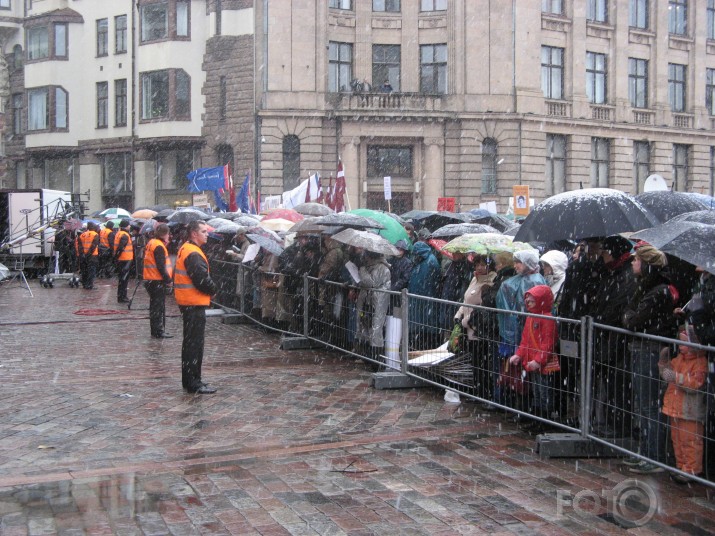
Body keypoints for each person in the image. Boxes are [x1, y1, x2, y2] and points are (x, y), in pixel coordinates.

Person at [622, 243, 678, 474]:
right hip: (643, 348)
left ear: (646, 264)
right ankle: (646, 452)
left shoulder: (658, 291)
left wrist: (628, 316)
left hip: (650, 348)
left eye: (636, 260)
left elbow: (632, 320)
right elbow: (629, 315)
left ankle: (654, 456)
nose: (633, 263)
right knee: (643, 404)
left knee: (649, 404)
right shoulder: (647, 288)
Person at [495, 249, 546, 413]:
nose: (515, 265)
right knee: (519, 375)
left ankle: (533, 411)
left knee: (530, 376)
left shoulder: (535, 281)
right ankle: (523, 409)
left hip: (530, 336)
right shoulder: (515, 282)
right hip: (522, 336)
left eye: (519, 262)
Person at [174, 220, 217, 394]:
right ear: (194, 233)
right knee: (194, 345)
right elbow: (200, 279)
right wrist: (213, 289)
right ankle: (193, 382)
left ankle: (191, 380)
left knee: (191, 344)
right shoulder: (193, 252)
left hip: (189, 302)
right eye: (204, 231)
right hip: (193, 302)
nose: (207, 234)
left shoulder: (187, 248)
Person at [660, 329, 708, 484]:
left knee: (691, 441)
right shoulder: (679, 359)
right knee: (678, 440)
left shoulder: (700, 362)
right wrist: (664, 365)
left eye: (684, 342)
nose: (681, 345)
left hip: (690, 409)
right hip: (676, 408)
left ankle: (691, 470)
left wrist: (676, 378)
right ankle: (681, 467)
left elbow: (695, 384)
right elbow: (669, 374)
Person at [509, 284, 558, 431]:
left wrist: (538, 360)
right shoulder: (531, 317)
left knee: (544, 393)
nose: (528, 302)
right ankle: (538, 420)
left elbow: (548, 343)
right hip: (533, 362)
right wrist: (519, 354)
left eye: (532, 300)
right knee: (537, 392)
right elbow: (525, 340)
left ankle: (545, 422)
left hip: (542, 364)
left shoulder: (547, 319)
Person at [455, 255, 497, 398]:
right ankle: (477, 390)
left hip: (478, 329)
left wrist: (468, 320)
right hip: (468, 327)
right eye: (477, 264)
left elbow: (481, 306)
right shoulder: (474, 279)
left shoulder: (491, 281)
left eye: (482, 264)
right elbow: (466, 299)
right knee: (475, 361)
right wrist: (458, 315)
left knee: (482, 363)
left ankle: (484, 393)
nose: (479, 267)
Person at [356, 250, 391, 361]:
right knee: (365, 326)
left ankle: (376, 359)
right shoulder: (370, 266)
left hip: (377, 302)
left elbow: (370, 283)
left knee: (376, 329)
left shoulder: (382, 268)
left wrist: (361, 271)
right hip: (368, 302)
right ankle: (367, 355)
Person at [408, 242, 441, 350]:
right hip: (419, 303)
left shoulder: (430, 261)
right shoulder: (422, 261)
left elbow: (432, 283)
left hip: (425, 303)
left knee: (426, 333)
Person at [143, 223, 173, 339]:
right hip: (156, 280)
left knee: (155, 306)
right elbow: (161, 266)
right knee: (158, 307)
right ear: (165, 234)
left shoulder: (152, 242)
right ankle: (158, 331)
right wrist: (168, 280)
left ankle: (155, 330)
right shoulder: (159, 246)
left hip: (150, 279)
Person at [113, 220, 134, 303]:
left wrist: (116, 257)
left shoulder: (119, 233)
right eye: (129, 225)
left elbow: (119, 248)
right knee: (124, 279)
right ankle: (123, 297)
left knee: (122, 279)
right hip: (125, 259)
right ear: (126, 226)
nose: (130, 226)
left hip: (122, 259)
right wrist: (117, 256)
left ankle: (121, 296)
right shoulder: (125, 235)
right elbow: (121, 247)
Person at [76, 222, 100, 290]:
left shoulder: (82, 235)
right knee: (91, 271)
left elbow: (80, 247)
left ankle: (85, 284)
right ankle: (90, 285)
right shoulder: (95, 234)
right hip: (92, 256)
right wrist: (88, 254)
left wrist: (83, 254)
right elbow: (93, 246)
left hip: (83, 257)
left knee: (84, 271)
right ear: (93, 227)